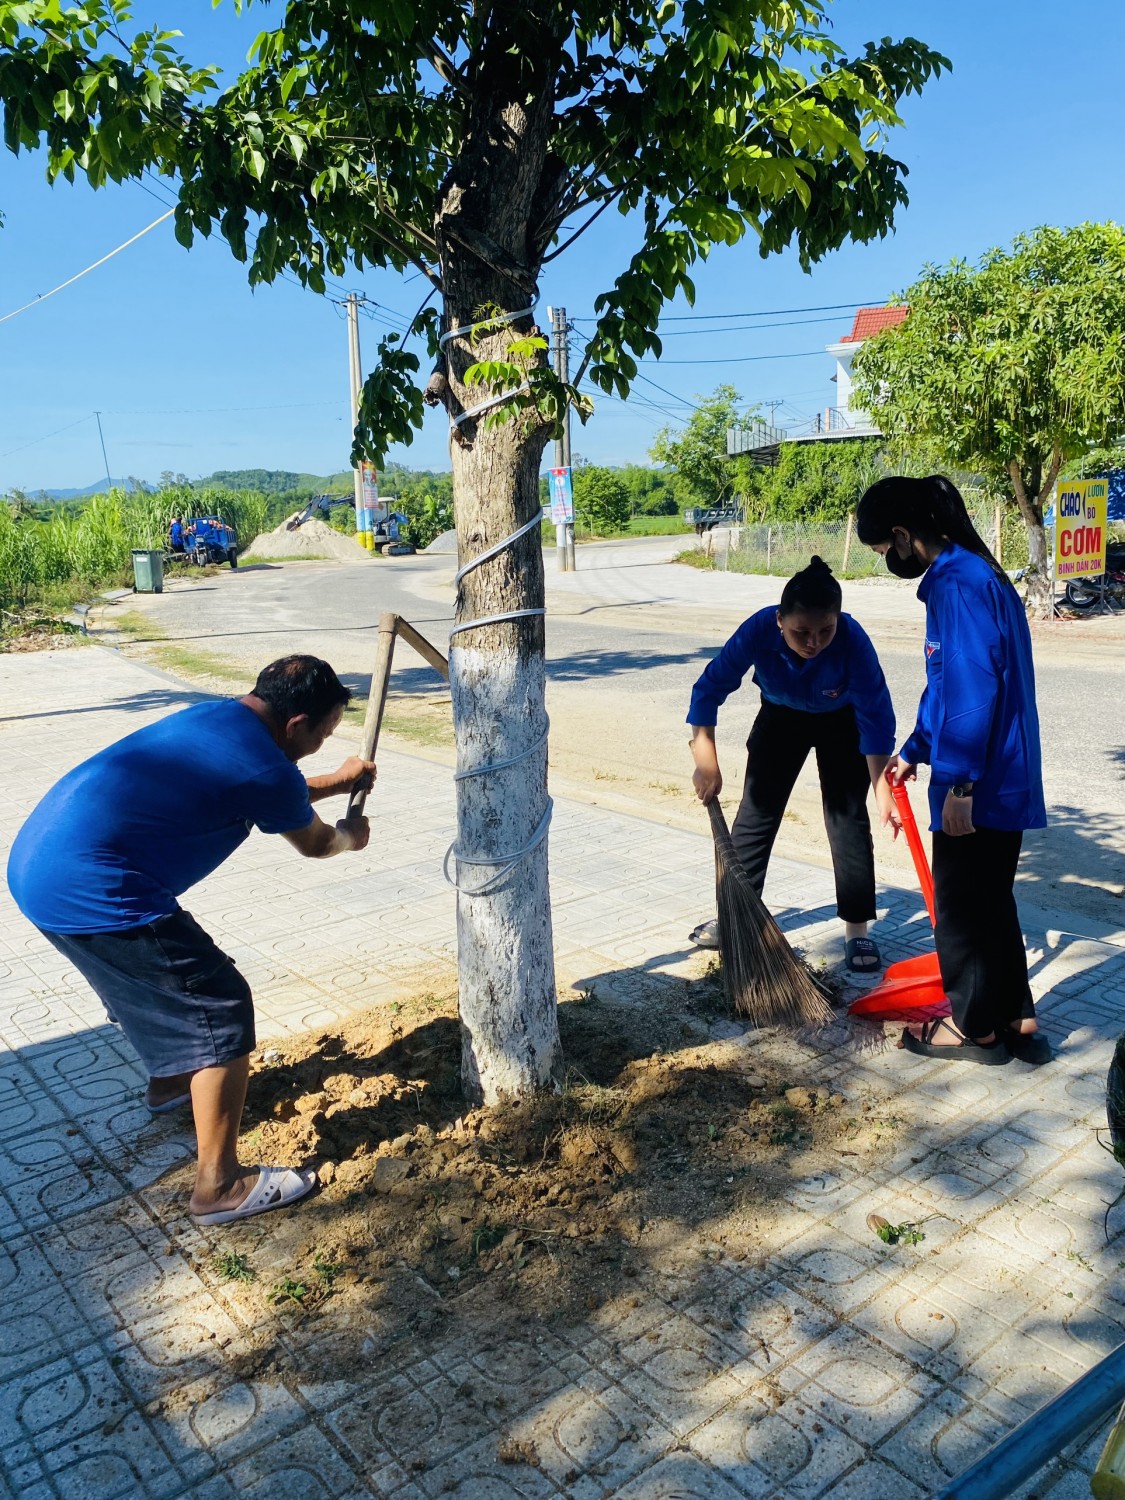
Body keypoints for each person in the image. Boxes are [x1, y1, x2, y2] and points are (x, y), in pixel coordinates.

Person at [6, 656, 377, 1224]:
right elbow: (315, 842)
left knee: (146, 986)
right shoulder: (263, 768)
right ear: (297, 722)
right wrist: (351, 835)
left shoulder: (219, 719)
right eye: (324, 734)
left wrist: (342, 781)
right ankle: (219, 1187)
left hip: (40, 872)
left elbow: (270, 789)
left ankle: (173, 1082)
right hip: (97, 890)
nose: (323, 744)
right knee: (218, 1005)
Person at [856, 474, 1048, 1065]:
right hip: (1003, 770)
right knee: (993, 900)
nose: (890, 560)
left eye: (886, 550)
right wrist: (915, 748)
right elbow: (947, 686)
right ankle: (1017, 1017)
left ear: (903, 533)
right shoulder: (978, 573)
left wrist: (960, 782)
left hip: (981, 781)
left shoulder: (956, 585)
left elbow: (970, 689)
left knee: (961, 909)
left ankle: (974, 1030)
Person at [687, 556, 898, 972]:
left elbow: (877, 719)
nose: (814, 642)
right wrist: (705, 760)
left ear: (839, 620)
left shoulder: (853, 640)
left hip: (842, 722)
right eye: (801, 631)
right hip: (780, 718)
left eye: (825, 630)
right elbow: (709, 689)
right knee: (755, 817)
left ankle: (857, 931)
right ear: (780, 619)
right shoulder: (758, 630)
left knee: (847, 820)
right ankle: (737, 919)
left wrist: (882, 790)